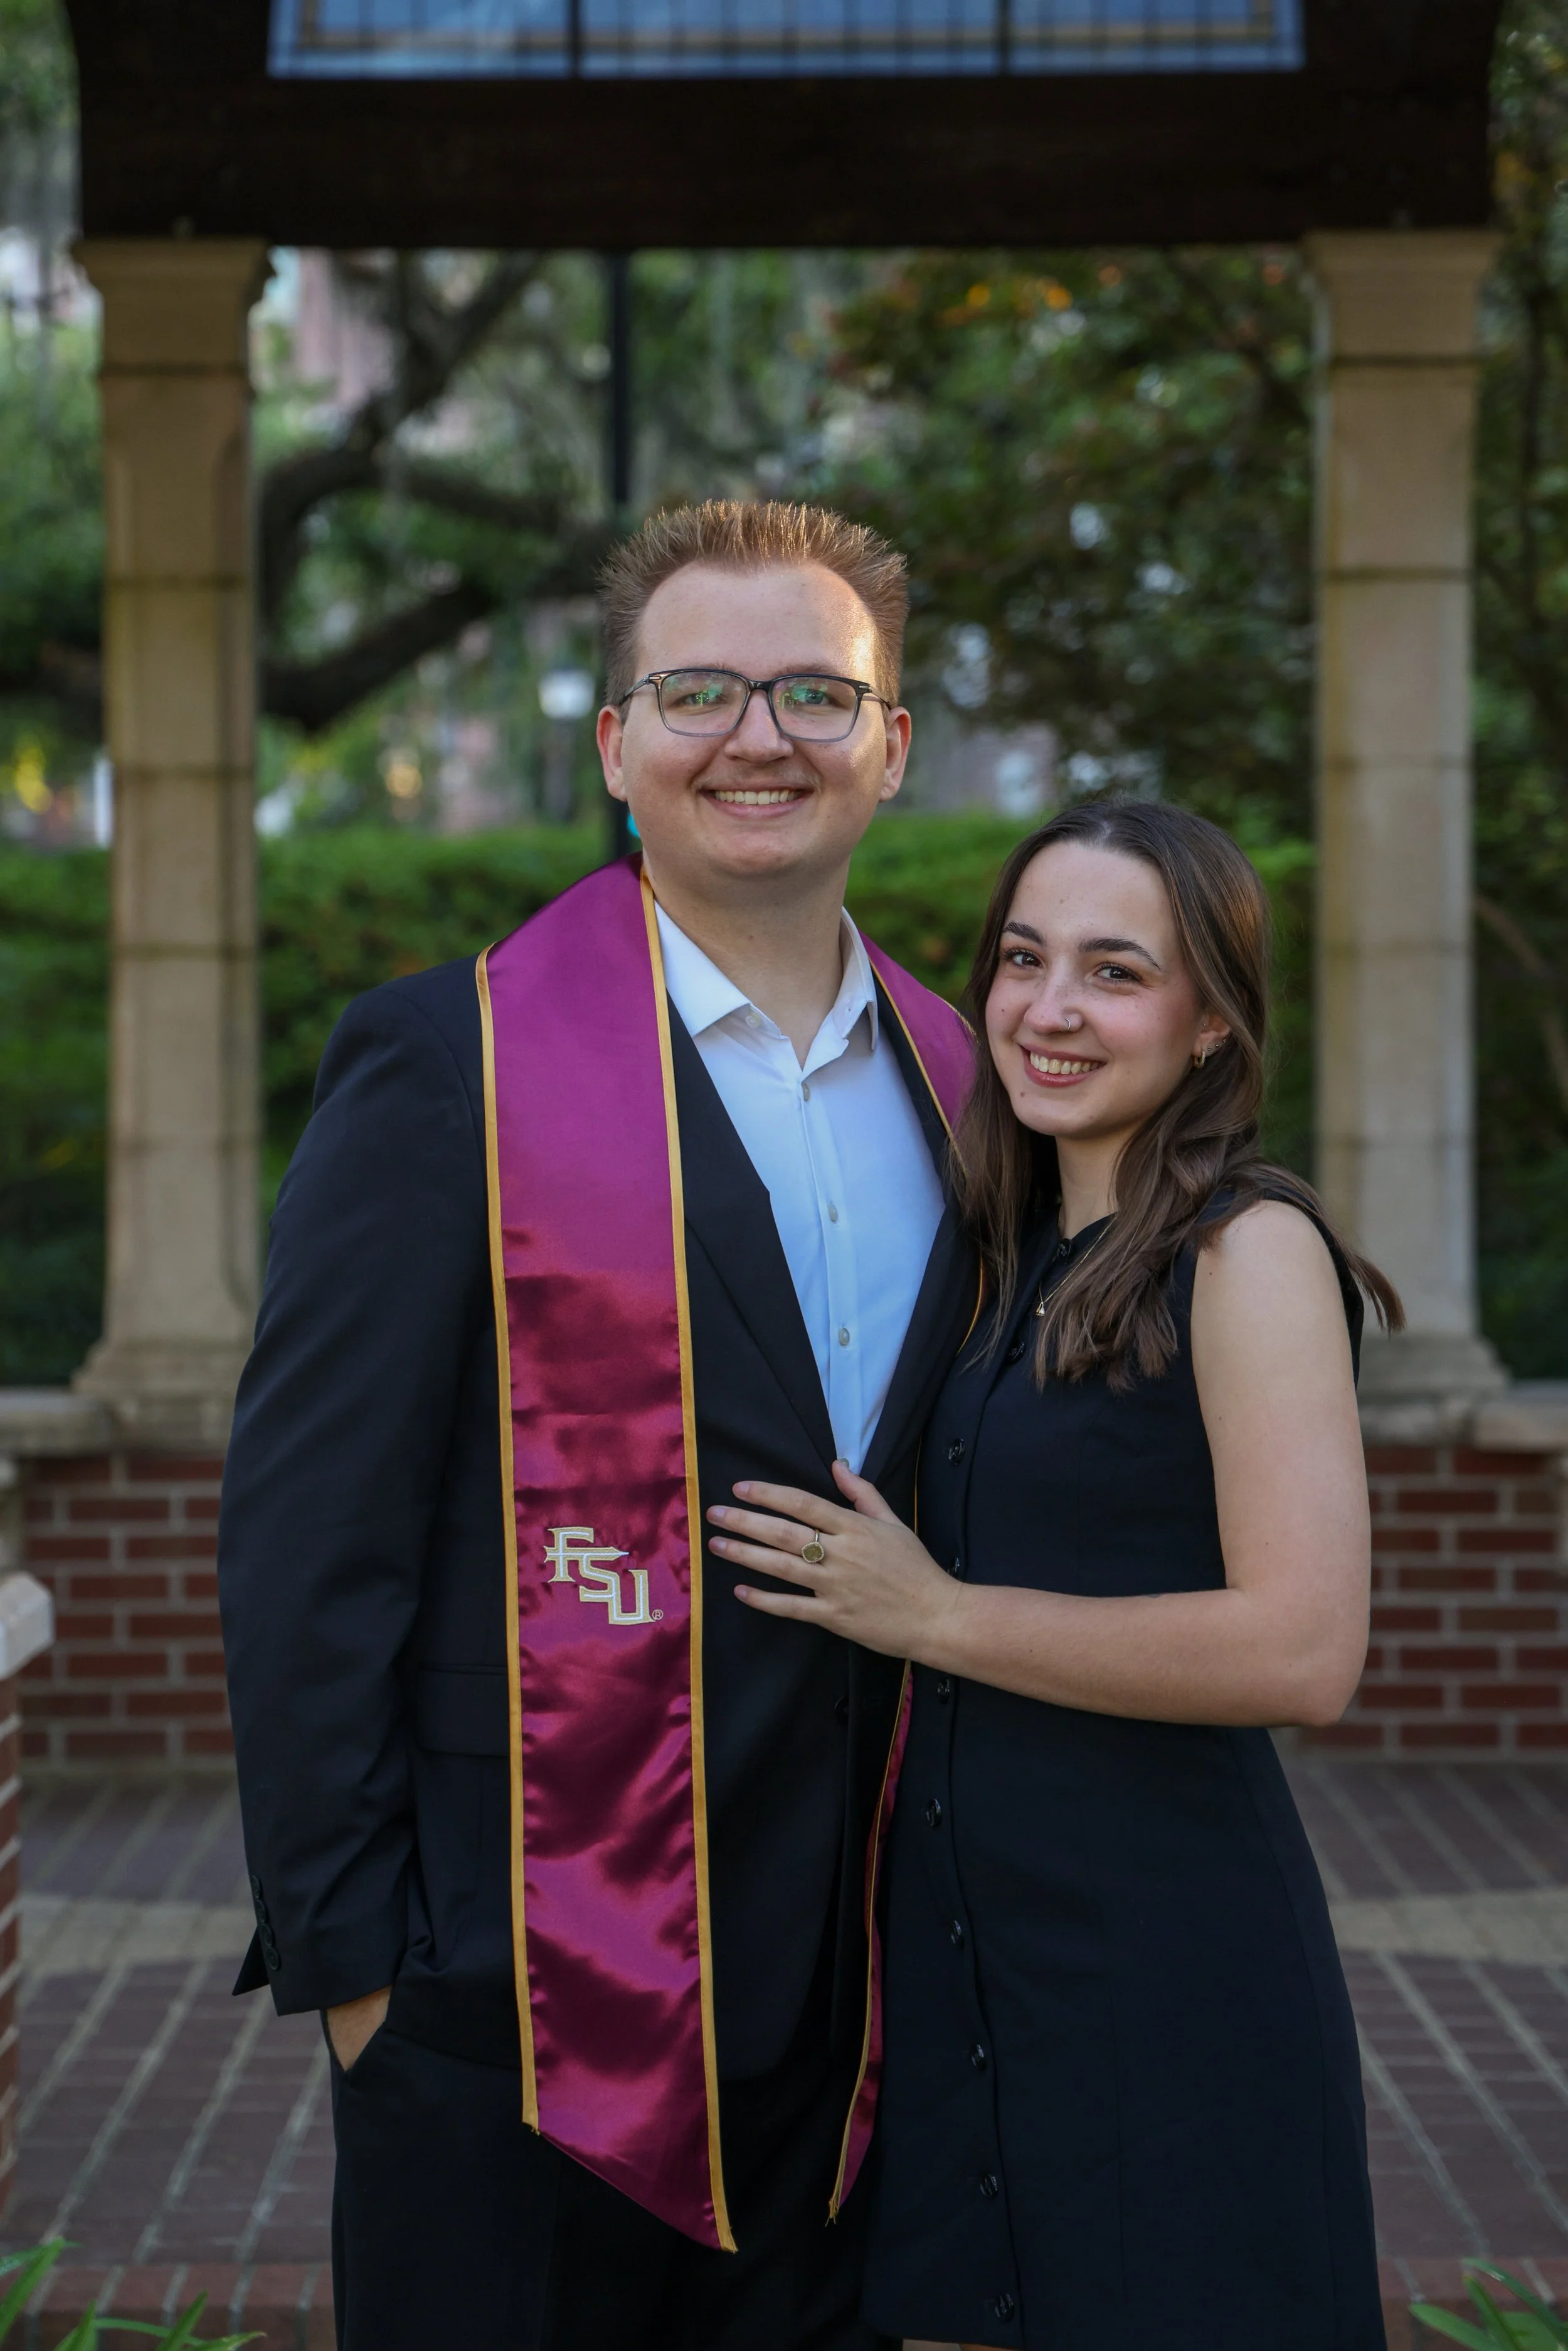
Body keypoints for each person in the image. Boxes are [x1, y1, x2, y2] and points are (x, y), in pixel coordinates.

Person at [216, 501, 980, 2351]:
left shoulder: (971, 1087)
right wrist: (365, 1978)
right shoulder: (451, 1061)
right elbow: (311, 1534)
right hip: (518, 1992)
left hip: (866, 2012)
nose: (757, 736)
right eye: (699, 690)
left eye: (814, 694)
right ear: (616, 742)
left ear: (889, 745)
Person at [707, 799, 1397, 2351]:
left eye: (1114, 970)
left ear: (1210, 1020)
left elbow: (1303, 1648)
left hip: (1167, 1971)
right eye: (1023, 960)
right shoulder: (991, 1255)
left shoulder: (1243, 1250)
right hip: (964, 1969)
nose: (1049, 1008)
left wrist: (935, 1614)